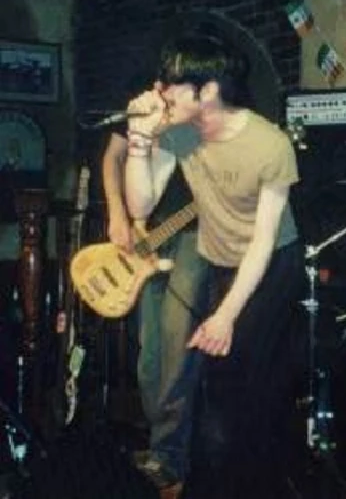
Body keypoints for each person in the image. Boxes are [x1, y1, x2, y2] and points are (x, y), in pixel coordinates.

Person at [122, 33, 305, 499]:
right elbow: (141, 202)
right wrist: (140, 143)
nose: (159, 90)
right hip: (214, 255)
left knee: (239, 382)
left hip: (270, 265)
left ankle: (252, 479)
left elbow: (262, 242)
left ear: (206, 92)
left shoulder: (270, 144)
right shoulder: (179, 131)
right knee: (199, 372)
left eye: (171, 84)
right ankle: (202, 473)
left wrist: (226, 315)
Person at [101, 121, 208, 494]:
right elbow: (112, 157)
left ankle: (170, 460)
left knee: (179, 348)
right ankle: (161, 446)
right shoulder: (141, 104)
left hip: (195, 233)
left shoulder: (203, 105)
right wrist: (119, 214)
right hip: (148, 236)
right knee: (150, 355)